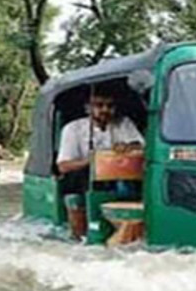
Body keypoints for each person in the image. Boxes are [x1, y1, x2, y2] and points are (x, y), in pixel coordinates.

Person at [55, 89, 144, 240]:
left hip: (122, 177)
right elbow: (63, 166)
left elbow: (141, 146)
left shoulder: (123, 123)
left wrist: (128, 147)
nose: (105, 110)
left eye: (110, 106)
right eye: (99, 105)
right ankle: (84, 232)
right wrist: (96, 160)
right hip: (84, 179)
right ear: (88, 108)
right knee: (81, 176)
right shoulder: (73, 129)